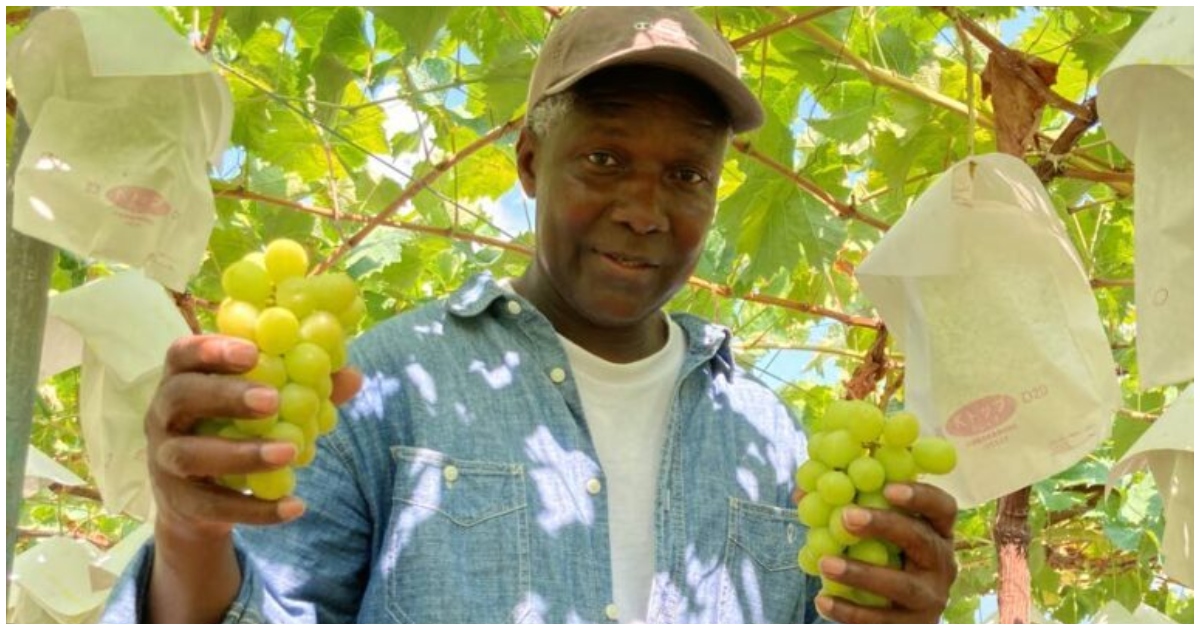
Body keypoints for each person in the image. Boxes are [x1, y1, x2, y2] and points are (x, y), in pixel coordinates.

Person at [103, 6, 957, 624]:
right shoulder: (388, 380)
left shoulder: (769, 436)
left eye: (687, 175)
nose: (645, 208)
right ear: (528, 163)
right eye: (605, 158)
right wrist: (187, 533)